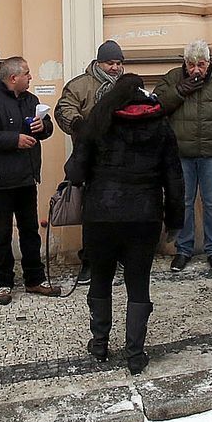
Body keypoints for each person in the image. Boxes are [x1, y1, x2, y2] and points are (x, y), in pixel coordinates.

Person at [66, 73, 183, 373]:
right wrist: (175, 218)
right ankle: (135, 353)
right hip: (144, 215)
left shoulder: (98, 121)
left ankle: (100, 343)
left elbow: (76, 172)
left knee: (101, 278)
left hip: (101, 214)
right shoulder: (160, 123)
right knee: (138, 283)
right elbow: (174, 177)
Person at [0, 56, 56, 304]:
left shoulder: (31, 100)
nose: (31, 77)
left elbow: (46, 127)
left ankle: (34, 279)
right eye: (27, 73)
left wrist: (44, 127)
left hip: (27, 178)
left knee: (30, 231)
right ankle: (3, 282)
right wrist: (13, 140)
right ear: (13, 78)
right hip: (0, 181)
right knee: (1, 233)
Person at [157, 40, 212, 274]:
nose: (196, 70)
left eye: (201, 65)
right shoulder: (173, 77)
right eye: (192, 64)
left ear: (209, 63)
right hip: (181, 153)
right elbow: (157, 105)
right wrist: (179, 91)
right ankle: (183, 250)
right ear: (185, 63)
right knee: (183, 203)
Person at [57, 40, 127, 282]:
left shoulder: (127, 86)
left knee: (120, 211)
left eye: (119, 63)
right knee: (92, 214)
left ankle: (118, 256)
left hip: (121, 160)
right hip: (91, 160)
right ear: (99, 63)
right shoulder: (80, 85)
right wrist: (78, 124)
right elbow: (64, 109)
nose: (115, 67)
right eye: (110, 63)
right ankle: (89, 260)